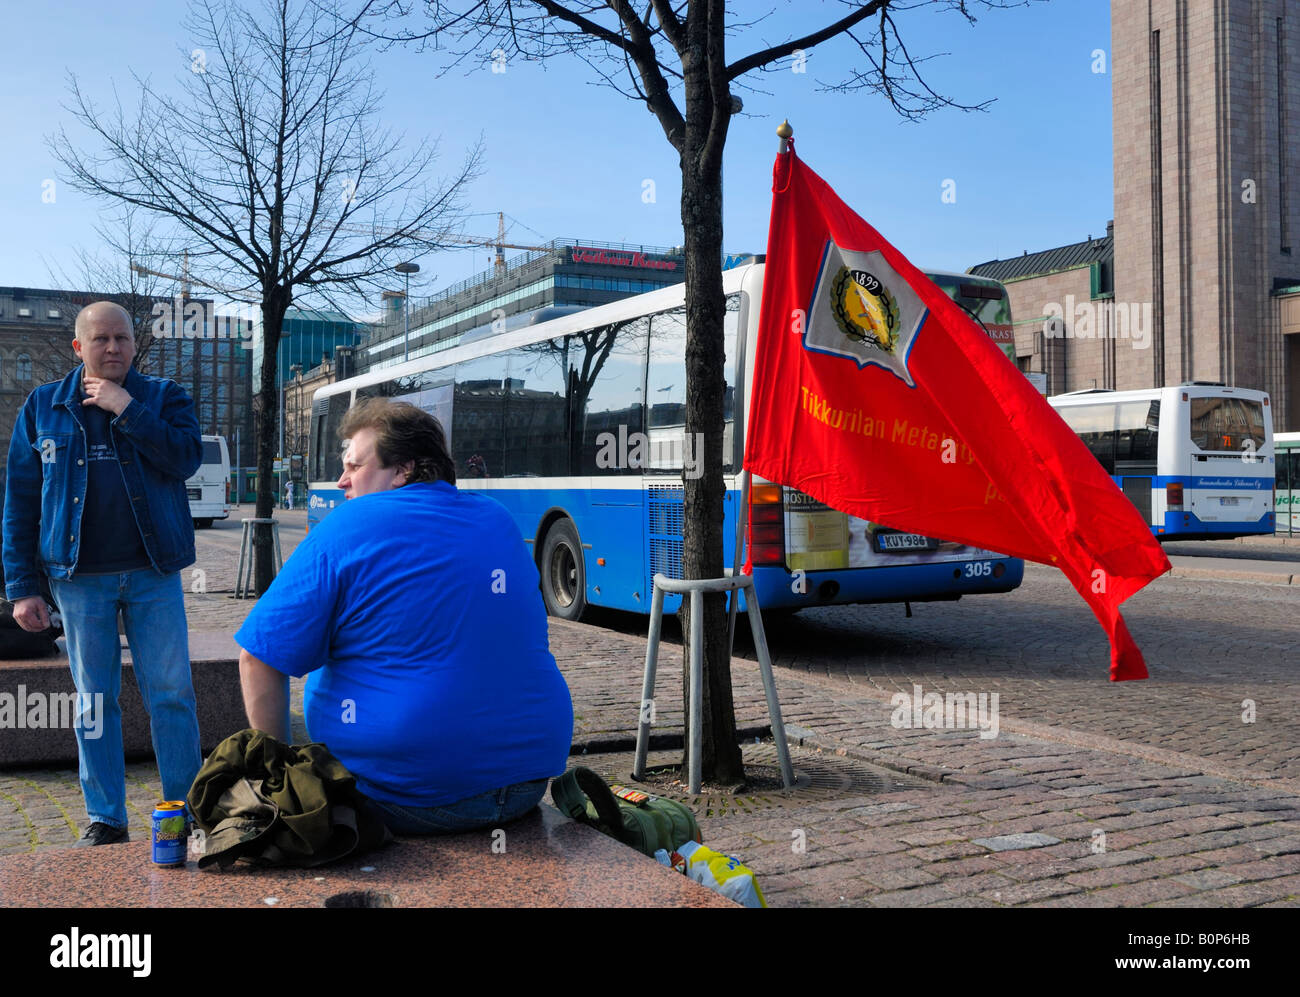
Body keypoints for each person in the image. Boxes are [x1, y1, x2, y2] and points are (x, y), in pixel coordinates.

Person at [235, 399, 573, 834]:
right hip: (526, 780)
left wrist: (280, 784)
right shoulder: (496, 517)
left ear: (403, 470)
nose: (342, 481)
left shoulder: (347, 524)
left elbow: (258, 659)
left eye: (355, 467)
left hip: (406, 792)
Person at [3, 301, 204, 846]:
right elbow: (20, 500)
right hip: (77, 578)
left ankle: (186, 809)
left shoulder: (164, 397)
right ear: (79, 346)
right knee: (93, 700)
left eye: (122, 338)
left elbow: (185, 458)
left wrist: (126, 408)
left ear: (135, 345)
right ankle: (106, 817)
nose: (112, 348)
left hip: (152, 572)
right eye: (101, 339)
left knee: (171, 694)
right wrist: (22, 588)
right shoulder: (43, 406)